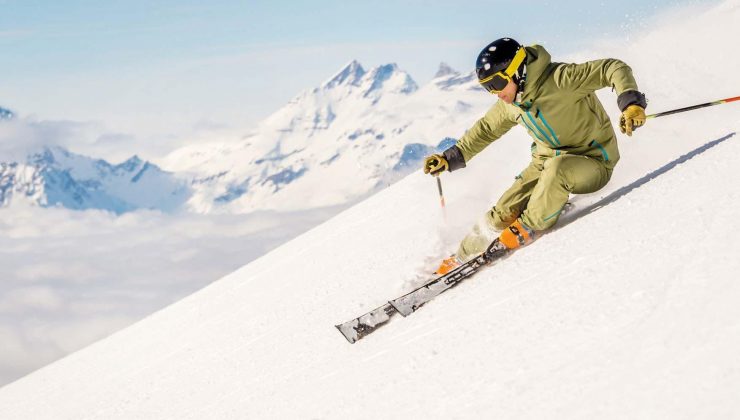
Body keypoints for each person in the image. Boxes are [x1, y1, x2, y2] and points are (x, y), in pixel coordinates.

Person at [423, 37, 647, 275]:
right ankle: (460, 258)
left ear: (517, 71)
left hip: (594, 161)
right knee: (503, 211)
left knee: (558, 169)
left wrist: (630, 103)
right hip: (546, 162)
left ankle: (527, 227)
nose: (495, 93)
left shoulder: (561, 80)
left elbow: (612, 68)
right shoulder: (512, 103)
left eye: (498, 82)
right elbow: (486, 129)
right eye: (488, 87)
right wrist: (450, 158)